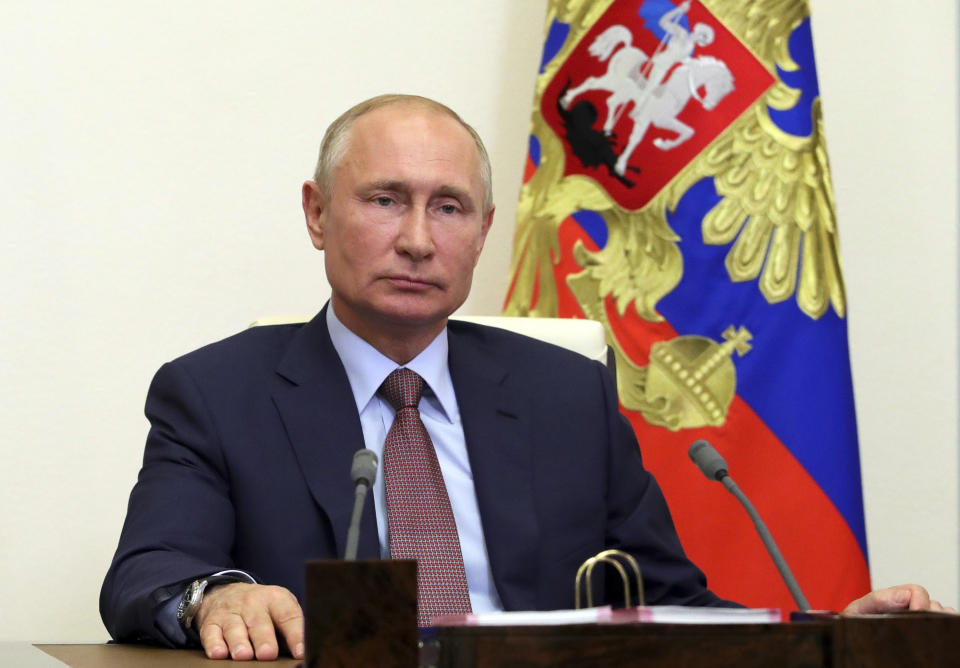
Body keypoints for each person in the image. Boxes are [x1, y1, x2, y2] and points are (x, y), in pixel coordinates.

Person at [100, 94, 953, 662]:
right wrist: (217, 597)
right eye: (385, 199)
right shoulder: (215, 392)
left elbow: (666, 601)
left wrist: (827, 637)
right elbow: (147, 573)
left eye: (449, 207)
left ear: (483, 231)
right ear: (318, 215)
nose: (418, 240)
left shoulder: (567, 394)